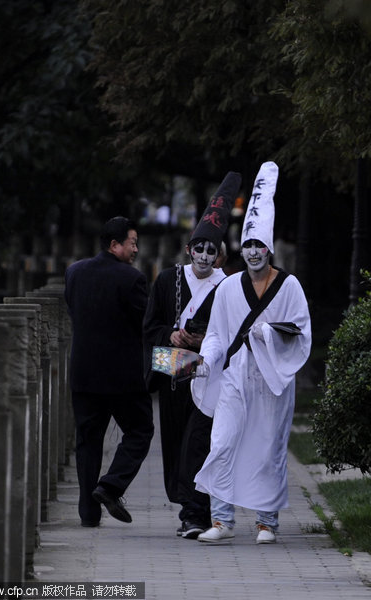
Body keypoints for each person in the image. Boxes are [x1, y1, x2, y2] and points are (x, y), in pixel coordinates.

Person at [192, 162, 312, 544]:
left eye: (259, 245)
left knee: (266, 450)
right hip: (235, 377)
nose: (254, 252)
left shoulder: (290, 286)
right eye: (248, 246)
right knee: (223, 441)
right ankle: (222, 520)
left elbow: (301, 332)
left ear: (269, 249)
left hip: (273, 380)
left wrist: (269, 334)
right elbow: (215, 334)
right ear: (241, 250)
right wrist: (207, 359)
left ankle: (266, 522)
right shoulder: (227, 289)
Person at [143, 172, 242, 539]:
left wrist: (205, 344)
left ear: (219, 255)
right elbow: (149, 326)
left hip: (210, 375)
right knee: (175, 443)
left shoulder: (228, 286)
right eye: (198, 248)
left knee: (199, 443)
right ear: (189, 249)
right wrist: (171, 335)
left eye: (210, 250)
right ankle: (188, 506)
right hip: (174, 373)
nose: (203, 255)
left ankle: (195, 512)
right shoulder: (168, 281)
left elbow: (234, 334)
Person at [65, 216, 154, 527]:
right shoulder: (132, 279)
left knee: (88, 441)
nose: (136, 249)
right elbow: (146, 324)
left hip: (83, 374)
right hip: (122, 378)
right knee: (141, 430)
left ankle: (88, 515)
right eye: (132, 243)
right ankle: (111, 485)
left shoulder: (74, 273)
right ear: (115, 244)